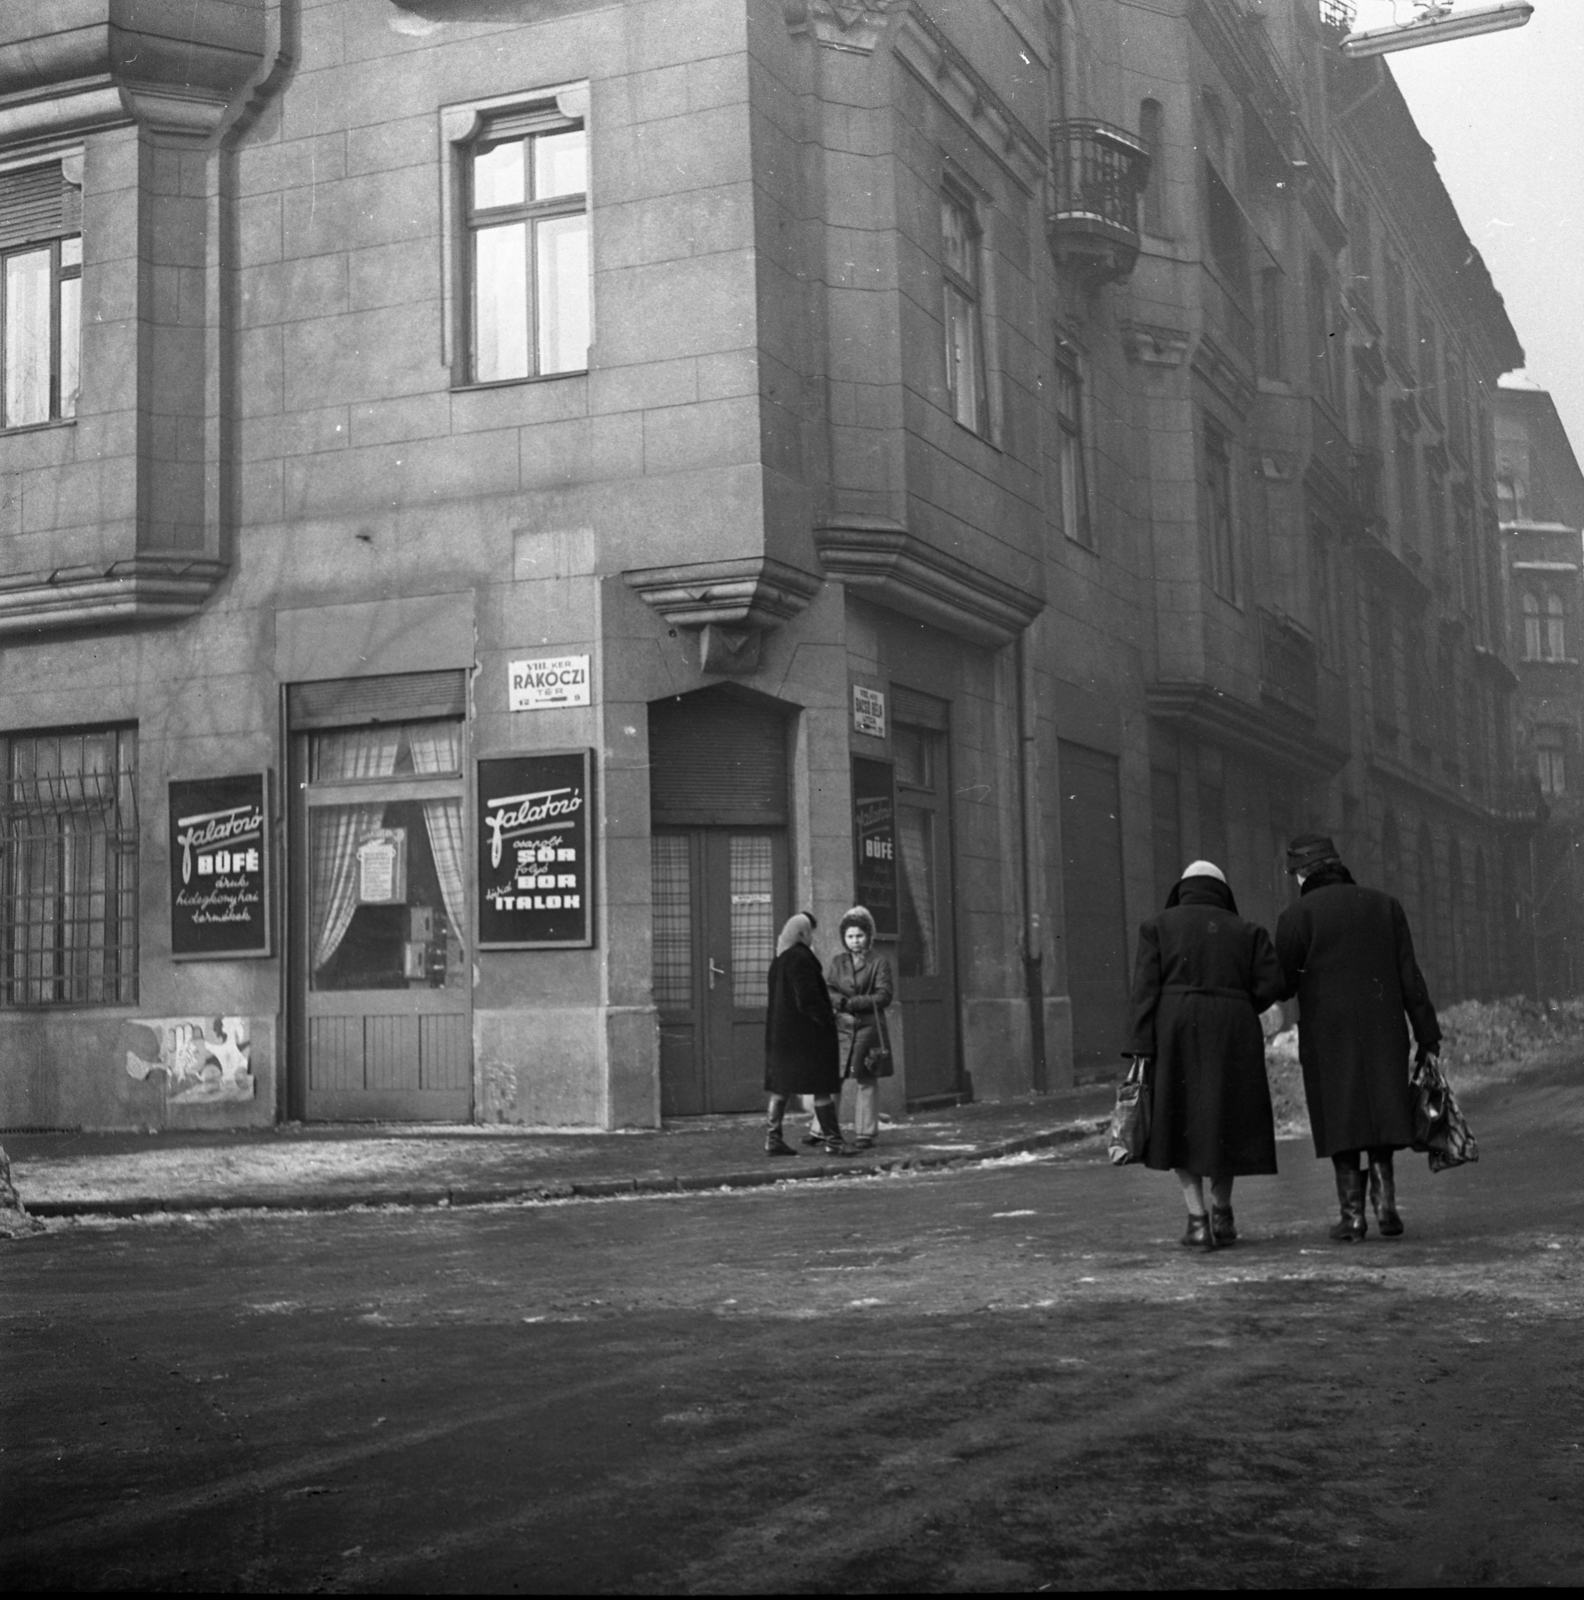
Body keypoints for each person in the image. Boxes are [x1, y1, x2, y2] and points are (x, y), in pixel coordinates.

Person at [1275, 833, 1440, 1242]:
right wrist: (1427, 1035)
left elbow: (1281, 983)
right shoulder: (1385, 906)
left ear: (1302, 874)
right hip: (1384, 1029)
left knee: (1341, 1116)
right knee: (1381, 1110)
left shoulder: (1296, 917)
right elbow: (1409, 978)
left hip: (1328, 1034)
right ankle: (1386, 1207)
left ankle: (1352, 1217)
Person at [1123, 861, 1285, 1250]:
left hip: (1176, 1030)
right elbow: (1274, 983)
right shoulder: (1248, 931)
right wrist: (1242, 1004)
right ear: (1222, 891)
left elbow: (1144, 992)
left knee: (1180, 1121)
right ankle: (1223, 1213)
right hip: (1233, 1030)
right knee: (1226, 1119)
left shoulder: (1156, 926)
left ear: (1184, 888)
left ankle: (1197, 1221)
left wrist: (1140, 1046)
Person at [763, 912, 852, 1157]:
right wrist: (828, 1017)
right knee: (822, 1086)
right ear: (802, 934)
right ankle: (834, 1142)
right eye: (810, 931)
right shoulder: (802, 959)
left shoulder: (779, 960)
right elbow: (808, 999)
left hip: (782, 1038)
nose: (813, 936)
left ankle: (773, 1139)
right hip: (807, 1037)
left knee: (781, 1087)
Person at [823, 906, 894, 1151]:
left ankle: (866, 1133)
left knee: (866, 1079)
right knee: (833, 1079)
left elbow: (884, 995)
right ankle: (827, 1130)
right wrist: (838, 1002)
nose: (855, 941)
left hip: (868, 1028)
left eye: (859, 935)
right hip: (841, 1028)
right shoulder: (837, 962)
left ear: (869, 936)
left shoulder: (879, 962)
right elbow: (829, 987)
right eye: (850, 936)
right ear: (844, 937)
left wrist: (851, 1003)